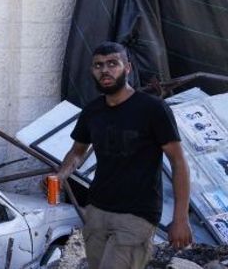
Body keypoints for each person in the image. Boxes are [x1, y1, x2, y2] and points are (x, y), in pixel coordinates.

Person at [55, 41, 192, 269]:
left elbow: (178, 162)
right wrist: (61, 175)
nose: (105, 70)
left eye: (112, 64)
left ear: (127, 68)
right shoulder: (93, 111)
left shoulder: (152, 109)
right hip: (97, 210)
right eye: (98, 65)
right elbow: (77, 151)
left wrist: (180, 218)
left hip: (136, 214)